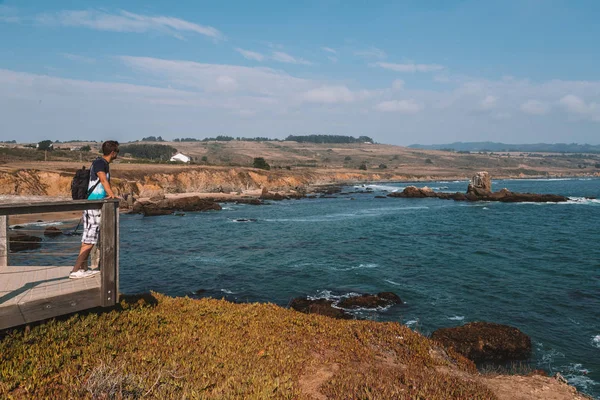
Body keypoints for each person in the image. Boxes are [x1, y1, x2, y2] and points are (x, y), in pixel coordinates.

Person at [70, 140, 119, 279]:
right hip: (93, 204)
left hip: (93, 204)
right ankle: (75, 270)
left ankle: (83, 268)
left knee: (88, 237)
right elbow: (103, 179)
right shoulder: (100, 163)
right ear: (113, 152)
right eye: (117, 152)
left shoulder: (103, 163)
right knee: (90, 239)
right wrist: (111, 194)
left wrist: (110, 193)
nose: (117, 155)